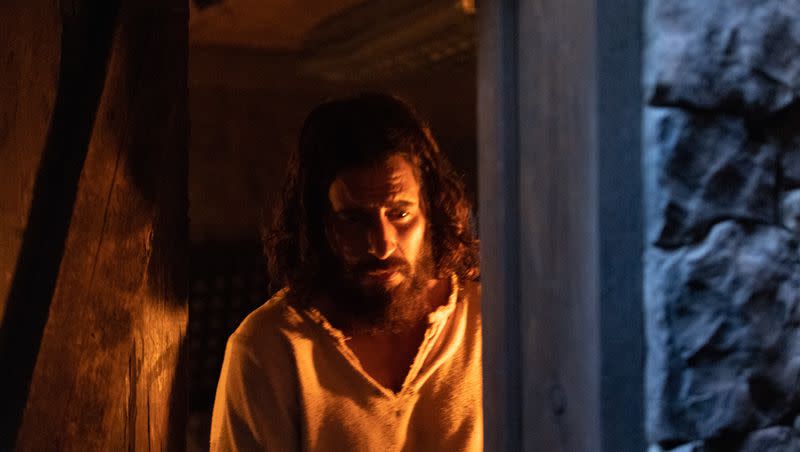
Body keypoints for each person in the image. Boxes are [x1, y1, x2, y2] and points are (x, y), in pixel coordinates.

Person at [209, 93, 482, 451]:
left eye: (400, 214)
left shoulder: (485, 323)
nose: (382, 245)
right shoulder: (270, 349)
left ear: (430, 212)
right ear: (318, 224)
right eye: (354, 219)